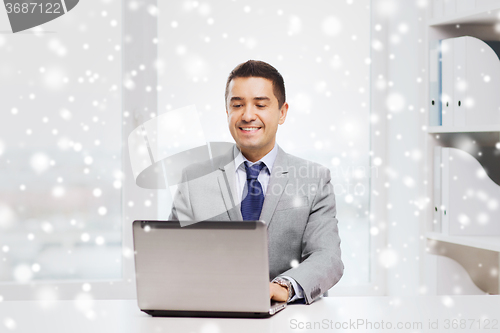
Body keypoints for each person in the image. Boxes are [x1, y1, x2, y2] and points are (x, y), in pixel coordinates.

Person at [169, 60, 343, 304]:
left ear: (282, 112)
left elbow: (328, 256)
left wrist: (282, 286)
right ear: (227, 111)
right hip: (211, 311)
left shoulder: (314, 178)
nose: (248, 115)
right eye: (237, 105)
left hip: (286, 314)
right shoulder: (194, 179)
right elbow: (173, 255)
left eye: (260, 104)